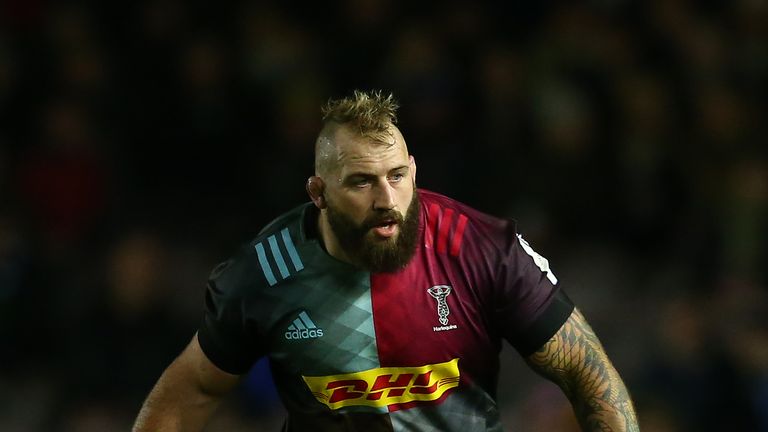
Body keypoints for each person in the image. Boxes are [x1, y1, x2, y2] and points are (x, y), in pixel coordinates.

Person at [133, 90, 639, 431]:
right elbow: (187, 396)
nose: (387, 199)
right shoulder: (264, 273)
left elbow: (586, 368)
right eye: (361, 182)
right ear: (318, 192)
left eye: (397, 176)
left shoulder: (480, 249)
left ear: (414, 170)